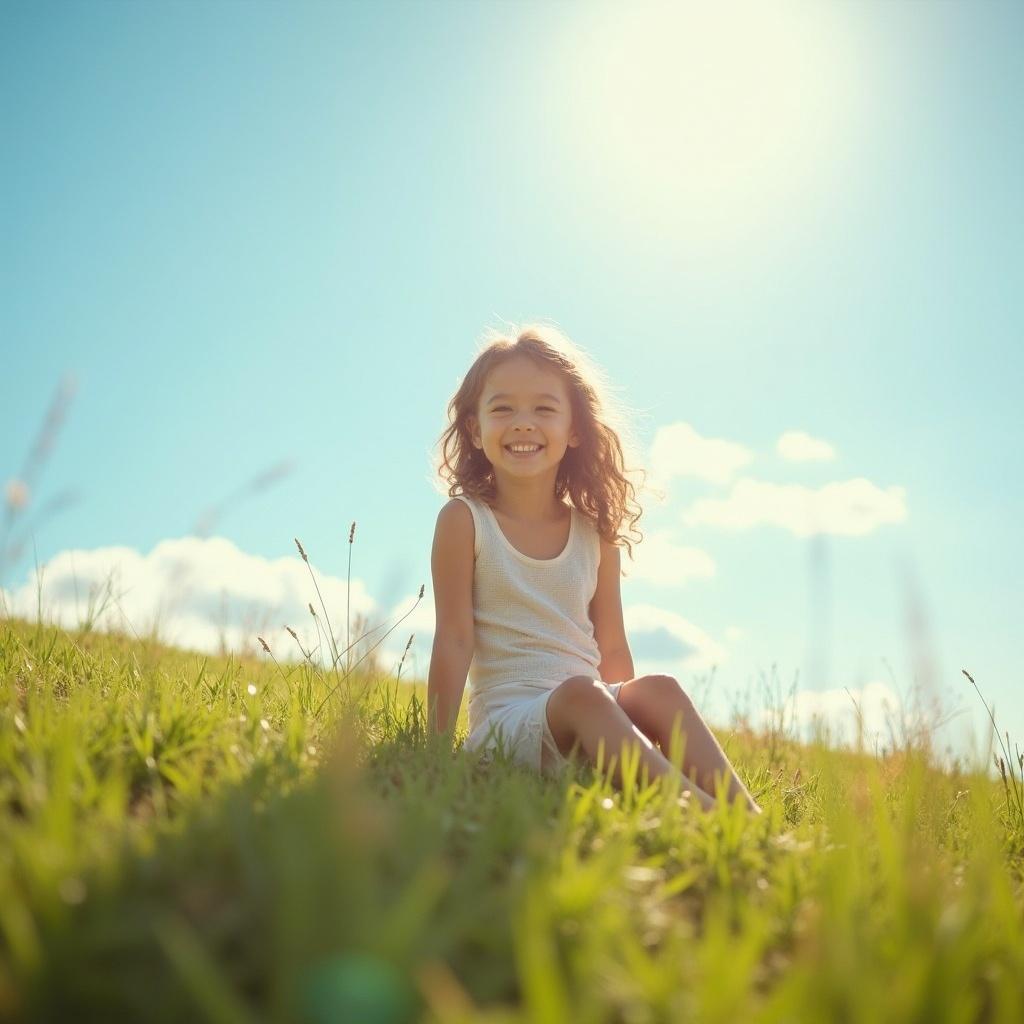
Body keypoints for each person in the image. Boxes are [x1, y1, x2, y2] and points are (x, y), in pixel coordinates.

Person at [426, 323, 761, 813]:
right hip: (508, 727)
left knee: (660, 688)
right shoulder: (465, 521)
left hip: (588, 710)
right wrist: (435, 750)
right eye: (503, 409)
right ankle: (701, 816)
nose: (523, 423)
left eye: (544, 408)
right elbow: (454, 638)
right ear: (475, 429)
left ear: (575, 429)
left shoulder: (594, 535)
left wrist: (625, 717)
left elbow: (612, 646)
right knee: (581, 694)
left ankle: (749, 817)